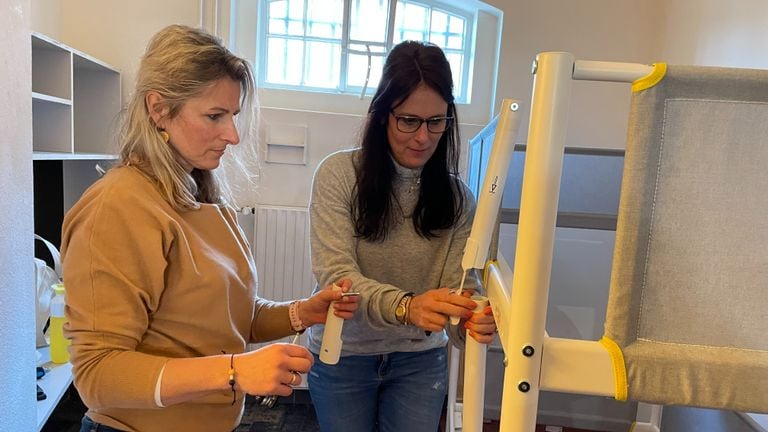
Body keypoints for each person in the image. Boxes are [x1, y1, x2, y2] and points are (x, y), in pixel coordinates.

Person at [60, 24, 359, 432]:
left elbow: (231, 320)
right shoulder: (119, 206)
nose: (232, 135)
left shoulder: (196, 195)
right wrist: (234, 371)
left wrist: (302, 313)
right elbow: (99, 375)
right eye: (215, 116)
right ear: (159, 109)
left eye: (233, 116)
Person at [306, 40, 497, 432]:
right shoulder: (339, 175)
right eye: (408, 120)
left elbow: (459, 288)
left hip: (420, 361)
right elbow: (337, 278)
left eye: (436, 121)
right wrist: (407, 307)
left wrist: (470, 319)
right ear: (381, 115)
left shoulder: (460, 198)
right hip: (344, 353)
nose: (423, 137)